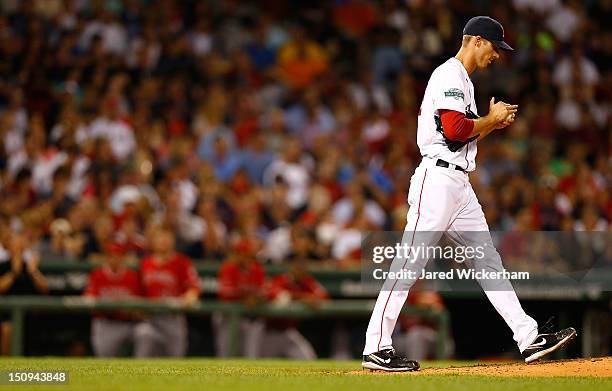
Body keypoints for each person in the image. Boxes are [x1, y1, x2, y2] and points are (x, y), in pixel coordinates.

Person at [362, 16, 577, 372]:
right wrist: (490, 120)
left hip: (459, 183)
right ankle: (376, 347)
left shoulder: (463, 80)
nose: (497, 55)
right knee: (410, 262)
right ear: (476, 41)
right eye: (495, 47)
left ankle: (528, 337)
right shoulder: (449, 74)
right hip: (437, 182)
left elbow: (461, 137)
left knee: (487, 260)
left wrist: (492, 123)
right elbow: (454, 128)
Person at [136, 227, 200, 357]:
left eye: (167, 238)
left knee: (175, 361)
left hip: (173, 316)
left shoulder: (182, 262)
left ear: (173, 241)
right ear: (153, 241)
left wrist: (190, 296)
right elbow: (139, 290)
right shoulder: (146, 263)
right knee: (143, 335)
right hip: (151, 317)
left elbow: (193, 287)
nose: (164, 241)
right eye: (160, 238)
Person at [84, 242, 143, 357]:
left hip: (128, 323)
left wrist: (132, 309)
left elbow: (139, 305)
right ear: (106, 258)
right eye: (111, 255)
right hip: (105, 323)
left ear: (122, 257)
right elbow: (89, 299)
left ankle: (143, 366)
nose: (114, 259)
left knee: (146, 334)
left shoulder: (131, 276)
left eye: (117, 255)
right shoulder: (97, 275)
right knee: (104, 362)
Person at [262, 260, 328, 359]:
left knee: (308, 359)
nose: (299, 273)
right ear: (292, 270)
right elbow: (277, 294)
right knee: (257, 364)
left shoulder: (306, 282)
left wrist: (308, 298)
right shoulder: (281, 280)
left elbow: (323, 295)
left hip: (288, 332)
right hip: (268, 332)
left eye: (302, 271)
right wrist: (301, 297)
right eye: (297, 270)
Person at [214, 238, 267, 357]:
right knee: (225, 355)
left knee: (250, 357)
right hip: (228, 318)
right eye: (239, 254)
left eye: (246, 254)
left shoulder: (258, 270)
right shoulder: (228, 268)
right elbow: (226, 293)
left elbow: (265, 292)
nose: (243, 257)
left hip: (250, 319)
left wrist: (257, 298)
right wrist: (246, 297)